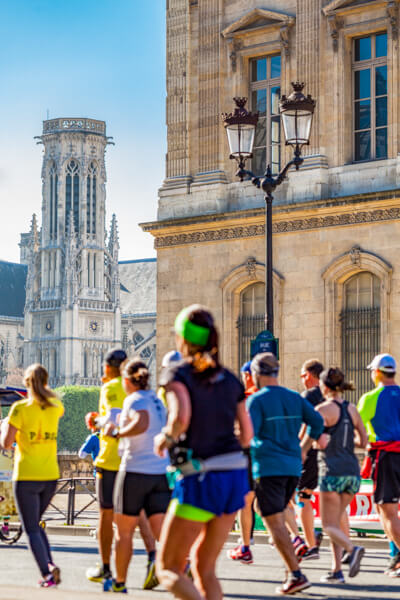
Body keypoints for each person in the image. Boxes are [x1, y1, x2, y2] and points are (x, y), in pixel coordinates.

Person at [154, 305, 253, 600]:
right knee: (204, 567)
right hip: (235, 476)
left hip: (201, 477)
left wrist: (165, 438)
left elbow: (180, 416)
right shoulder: (230, 379)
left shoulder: (177, 373)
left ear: (182, 338)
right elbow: (247, 433)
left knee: (168, 568)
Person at [248, 352, 324, 595]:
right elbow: (318, 422)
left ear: (257, 374)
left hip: (269, 466)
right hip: (293, 466)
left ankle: (295, 573)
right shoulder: (293, 397)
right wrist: (303, 448)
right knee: (272, 512)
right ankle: (293, 557)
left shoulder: (257, 400)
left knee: (273, 520)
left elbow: (249, 435)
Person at [104, 358, 171, 593]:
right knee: (161, 530)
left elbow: (141, 422)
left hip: (134, 471)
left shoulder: (134, 399)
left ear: (126, 380)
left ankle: (120, 582)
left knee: (123, 533)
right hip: (158, 472)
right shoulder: (156, 400)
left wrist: (117, 433)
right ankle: (186, 565)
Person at [0, 364, 64, 588]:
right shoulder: (56, 405)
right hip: (51, 475)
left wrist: (4, 429)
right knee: (35, 524)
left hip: (27, 474)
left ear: (27, 383)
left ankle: (47, 572)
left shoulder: (19, 409)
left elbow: (7, 444)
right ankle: (49, 564)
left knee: (31, 528)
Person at [310, 367, 367, 583]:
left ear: (324, 386)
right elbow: (363, 442)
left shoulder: (322, 410)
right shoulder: (351, 409)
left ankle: (353, 549)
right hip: (352, 472)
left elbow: (320, 442)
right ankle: (336, 571)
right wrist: (345, 441)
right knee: (335, 522)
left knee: (327, 525)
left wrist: (317, 442)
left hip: (331, 471)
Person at [86, 348, 128, 584]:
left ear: (108, 367)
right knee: (139, 516)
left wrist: (95, 421)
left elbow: (111, 420)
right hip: (135, 460)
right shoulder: (138, 387)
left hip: (110, 458)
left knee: (106, 514)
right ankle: (159, 557)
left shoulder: (110, 387)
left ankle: (105, 567)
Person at [357, 353, 400, 575]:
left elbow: (358, 429)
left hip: (386, 456)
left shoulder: (371, 398)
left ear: (376, 373)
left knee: (387, 510)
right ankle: (396, 559)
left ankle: (399, 554)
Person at [228, 360, 257, 564]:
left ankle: (246, 544)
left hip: (248, 452)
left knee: (245, 501)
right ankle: (297, 541)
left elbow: (240, 427)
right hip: (274, 454)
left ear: (247, 375)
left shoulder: (246, 398)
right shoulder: (278, 396)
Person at [297, 358, 325, 560]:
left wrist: (299, 447)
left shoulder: (307, 396)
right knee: (333, 498)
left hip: (312, 451)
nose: (301, 379)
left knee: (302, 496)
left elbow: (305, 427)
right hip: (333, 453)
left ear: (312, 375)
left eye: (304, 374)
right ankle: (346, 550)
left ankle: (310, 543)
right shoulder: (331, 394)